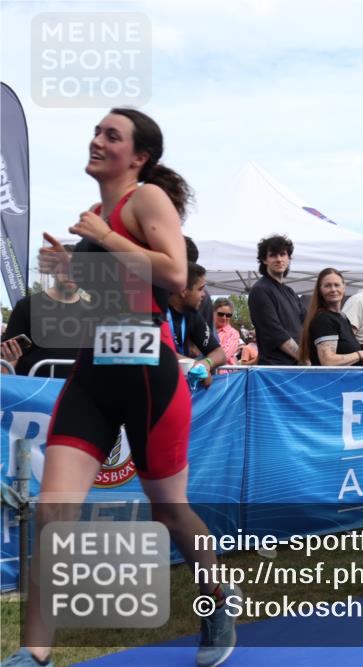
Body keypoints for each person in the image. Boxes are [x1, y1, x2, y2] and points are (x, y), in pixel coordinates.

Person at [1, 108, 238, 667]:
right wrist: (64, 274)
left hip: (147, 378)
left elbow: (175, 276)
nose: (97, 141)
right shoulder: (95, 214)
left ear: (139, 157)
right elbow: (98, 302)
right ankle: (33, 652)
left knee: (170, 511)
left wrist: (104, 236)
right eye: (96, 132)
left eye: (113, 135)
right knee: (52, 510)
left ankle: (220, 598)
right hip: (93, 376)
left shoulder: (146, 200)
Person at [1, 244, 88, 378]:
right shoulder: (26, 306)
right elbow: (10, 359)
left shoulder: (93, 311)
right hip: (32, 393)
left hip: (74, 394)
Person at [166, 262, 227, 386]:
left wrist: (206, 363)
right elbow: (161, 352)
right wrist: (193, 364)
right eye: (200, 289)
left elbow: (220, 353)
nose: (204, 294)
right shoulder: (156, 310)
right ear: (183, 291)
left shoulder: (192, 314)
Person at [298, 268, 363, 367]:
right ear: (320, 290)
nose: (333, 289)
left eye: (337, 285)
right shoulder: (323, 319)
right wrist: (361, 354)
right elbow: (328, 361)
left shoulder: (343, 317)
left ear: (344, 287)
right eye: (327, 286)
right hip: (332, 381)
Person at [248, 235, 306, 366]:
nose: (279, 259)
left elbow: (307, 322)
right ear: (264, 259)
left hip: (295, 366)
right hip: (275, 370)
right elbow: (275, 332)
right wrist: (303, 358)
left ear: (289, 257)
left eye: (282, 254)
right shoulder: (260, 290)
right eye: (273, 255)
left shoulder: (290, 292)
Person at [212, 297, 241, 367]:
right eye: (221, 314)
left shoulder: (233, 333)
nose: (224, 318)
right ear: (213, 312)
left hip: (223, 375)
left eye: (228, 315)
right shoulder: (205, 328)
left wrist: (205, 361)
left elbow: (225, 355)